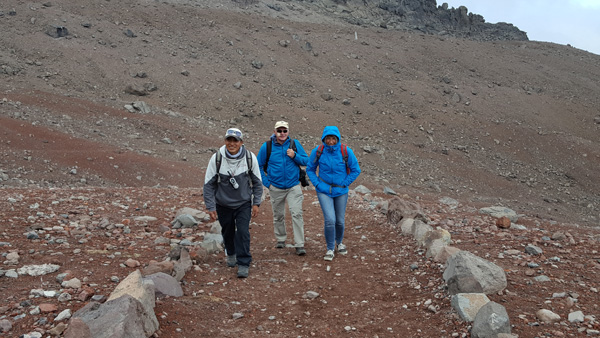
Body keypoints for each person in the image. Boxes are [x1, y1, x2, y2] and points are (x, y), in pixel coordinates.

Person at [203, 127, 263, 278]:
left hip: (243, 203)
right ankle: (231, 253)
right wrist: (210, 206)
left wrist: (256, 203)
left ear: (241, 142)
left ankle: (243, 262)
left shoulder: (250, 158)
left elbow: (257, 182)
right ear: (225, 141)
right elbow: (208, 185)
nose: (232, 143)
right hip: (223, 204)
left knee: (243, 232)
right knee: (227, 231)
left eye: (235, 141)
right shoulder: (217, 158)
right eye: (229, 140)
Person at [306, 126, 361, 261]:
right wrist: (317, 184)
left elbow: (356, 170)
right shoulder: (318, 151)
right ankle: (330, 248)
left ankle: (339, 242)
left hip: (341, 191)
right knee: (330, 220)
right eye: (328, 138)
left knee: (340, 221)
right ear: (324, 139)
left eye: (333, 138)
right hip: (324, 190)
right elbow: (310, 169)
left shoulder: (345, 151)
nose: (330, 141)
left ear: (337, 139)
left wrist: (345, 183)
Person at [257, 121, 309, 255]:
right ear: (274, 132)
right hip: (276, 187)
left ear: (288, 132)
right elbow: (258, 166)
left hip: (293, 186)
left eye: (284, 131)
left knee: (296, 213)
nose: (282, 133)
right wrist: (267, 183)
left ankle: (299, 244)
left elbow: (306, 161)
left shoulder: (294, 144)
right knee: (278, 215)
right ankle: (281, 238)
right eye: (279, 131)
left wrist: (295, 155)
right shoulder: (267, 146)